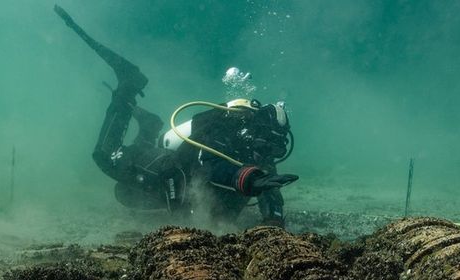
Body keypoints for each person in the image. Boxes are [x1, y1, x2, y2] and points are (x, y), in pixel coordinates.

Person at [56, 5, 297, 227]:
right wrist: (248, 180)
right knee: (105, 157)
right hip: (169, 165)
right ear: (257, 129)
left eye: (274, 147)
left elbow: (269, 184)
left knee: (126, 194)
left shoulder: (259, 147)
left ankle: (148, 128)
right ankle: (128, 85)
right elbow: (207, 164)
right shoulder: (230, 129)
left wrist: (273, 218)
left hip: (177, 177)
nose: (268, 153)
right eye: (267, 143)